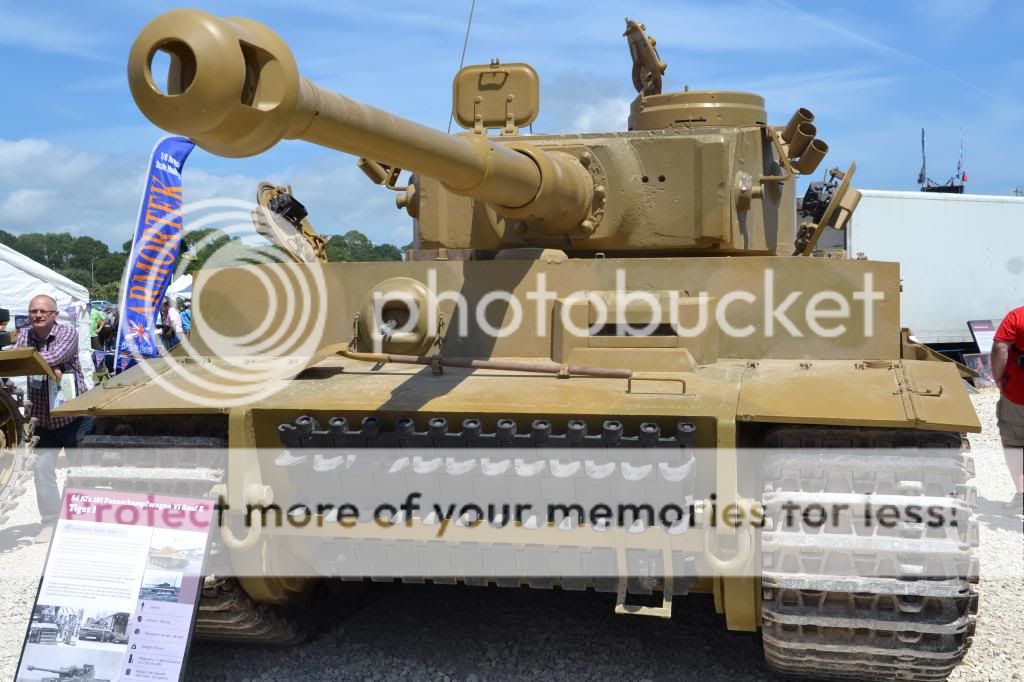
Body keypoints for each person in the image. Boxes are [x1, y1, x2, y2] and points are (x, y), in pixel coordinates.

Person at [15, 294, 91, 543]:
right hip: (43, 420)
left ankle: (82, 520)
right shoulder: (24, 335)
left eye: (43, 312)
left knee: (81, 470)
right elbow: (16, 359)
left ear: (54, 315)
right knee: (40, 469)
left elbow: (54, 356)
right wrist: (40, 366)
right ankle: (50, 522)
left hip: (73, 416)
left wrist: (34, 362)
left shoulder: (67, 333)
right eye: (33, 311)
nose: (37, 315)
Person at [992, 304, 1024, 512]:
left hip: (1018, 393)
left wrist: (998, 378)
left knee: (1014, 444)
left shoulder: (1017, 316)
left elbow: (1000, 348)